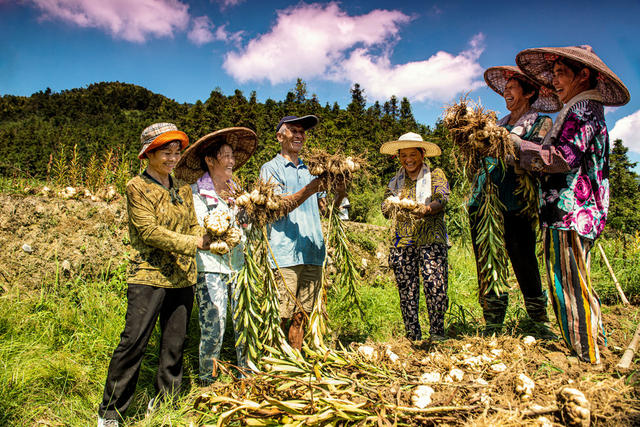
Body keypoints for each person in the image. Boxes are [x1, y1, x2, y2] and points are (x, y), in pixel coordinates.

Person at [513, 45, 630, 363]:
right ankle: (597, 348)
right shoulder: (585, 110)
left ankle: (585, 358)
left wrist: (517, 145)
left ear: (584, 75)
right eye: (553, 74)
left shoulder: (582, 111)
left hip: (569, 212)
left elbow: (562, 157)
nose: (555, 81)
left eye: (561, 73)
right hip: (578, 213)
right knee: (578, 281)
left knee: (567, 286)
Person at [98, 123, 211, 427]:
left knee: (174, 345)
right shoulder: (138, 186)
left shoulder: (182, 189)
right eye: (165, 151)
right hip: (148, 275)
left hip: (182, 277)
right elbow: (148, 231)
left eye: (177, 151)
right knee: (134, 342)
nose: (173, 157)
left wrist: (214, 235)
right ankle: (111, 413)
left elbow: (191, 227)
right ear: (149, 153)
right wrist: (194, 243)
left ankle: (166, 403)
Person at [469, 66, 561, 335]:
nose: (506, 92)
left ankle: (537, 319)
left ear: (529, 92)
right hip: (485, 199)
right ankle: (493, 322)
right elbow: (479, 160)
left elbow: (537, 158)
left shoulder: (540, 122)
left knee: (523, 258)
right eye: (505, 87)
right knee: (487, 259)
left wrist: (507, 146)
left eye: (512, 87)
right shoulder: (497, 124)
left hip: (516, 200)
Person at [174, 127, 257, 383]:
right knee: (214, 326)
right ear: (210, 160)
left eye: (233, 156)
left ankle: (248, 374)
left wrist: (246, 216)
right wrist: (221, 231)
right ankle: (207, 380)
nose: (232, 161)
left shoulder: (239, 193)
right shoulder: (195, 193)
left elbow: (248, 229)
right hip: (210, 267)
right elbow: (200, 228)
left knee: (245, 320)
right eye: (226, 155)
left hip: (239, 266)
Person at [259, 115, 344, 350]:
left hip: (313, 252)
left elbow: (326, 207)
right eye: (292, 130)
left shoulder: (312, 170)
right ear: (279, 136)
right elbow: (276, 207)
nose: (299, 135)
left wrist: (342, 187)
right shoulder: (270, 169)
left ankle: (295, 362)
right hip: (284, 253)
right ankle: (271, 362)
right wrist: (310, 188)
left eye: (302, 132)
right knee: (280, 315)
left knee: (301, 315)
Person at [380, 133, 450, 342]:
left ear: (422, 154)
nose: (408, 159)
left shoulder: (436, 174)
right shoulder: (395, 181)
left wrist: (426, 209)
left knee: (434, 283)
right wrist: (391, 205)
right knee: (407, 289)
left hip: (431, 238)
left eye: (412, 154)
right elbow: (384, 208)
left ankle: (437, 334)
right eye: (403, 155)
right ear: (399, 157)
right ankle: (413, 337)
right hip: (402, 241)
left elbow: (442, 199)